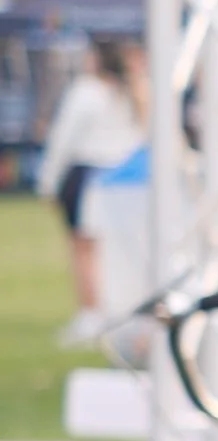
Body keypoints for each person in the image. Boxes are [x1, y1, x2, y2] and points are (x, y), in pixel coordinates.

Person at [35, 38, 147, 346]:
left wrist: (48, 182)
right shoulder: (135, 91)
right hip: (128, 179)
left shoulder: (86, 92)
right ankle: (110, 310)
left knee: (83, 249)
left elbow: (63, 139)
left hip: (87, 175)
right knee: (118, 249)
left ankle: (91, 313)